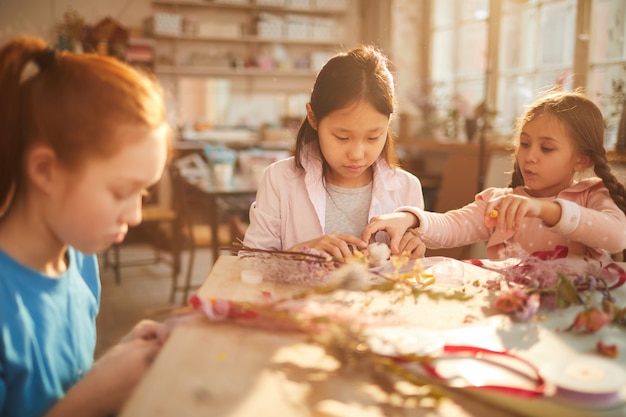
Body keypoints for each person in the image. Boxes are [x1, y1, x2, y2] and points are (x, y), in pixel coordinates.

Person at [0, 36, 174, 417]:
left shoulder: (78, 258)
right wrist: (91, 400)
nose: (136, 216)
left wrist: (113, 364)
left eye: (142, 194)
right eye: (121, 192)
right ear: (45, 170)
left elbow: (57, 388)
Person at [362, 90, 626, 263]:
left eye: (546, 148)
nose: (530, 157)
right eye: (524, 144)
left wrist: (544, 209)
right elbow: (451, 225)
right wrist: (408, 218)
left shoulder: (591, 196)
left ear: (582, 159)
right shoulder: (500, 204)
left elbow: (616, 236)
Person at [243, 45, 425, 260]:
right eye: (342, 137)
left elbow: (409, 276)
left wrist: (413, 253)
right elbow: (251, 262)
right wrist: (302, 252)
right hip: (300, 294)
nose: (357, 154)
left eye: (373, 137)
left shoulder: (406, 188)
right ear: (313, 117)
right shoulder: (279, 180)